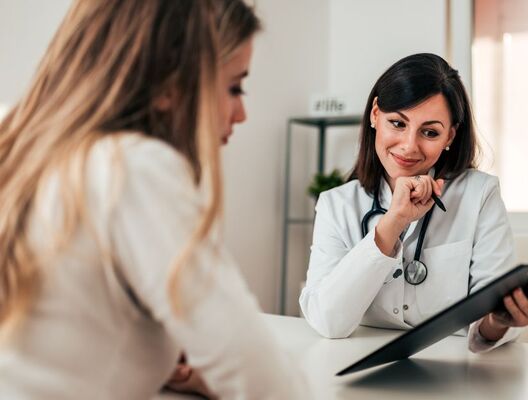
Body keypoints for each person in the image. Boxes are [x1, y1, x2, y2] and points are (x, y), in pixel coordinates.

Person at [0, 1, 305, 398]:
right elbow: (257, 374)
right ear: (168, 86)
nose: (242, 113)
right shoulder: (132, 168)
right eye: (234, 87)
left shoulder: (16, 139)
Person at [299, 53, 528, 352]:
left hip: (455, 371)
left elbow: (486, 319)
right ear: (374, 115)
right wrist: (392, 223)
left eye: (430, 132)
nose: (409, 146)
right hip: (356, 362)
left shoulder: (480, 194)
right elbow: (328, 322)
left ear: (450, 135)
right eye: (397, 123)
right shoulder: (336, 205)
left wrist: (500, 321)